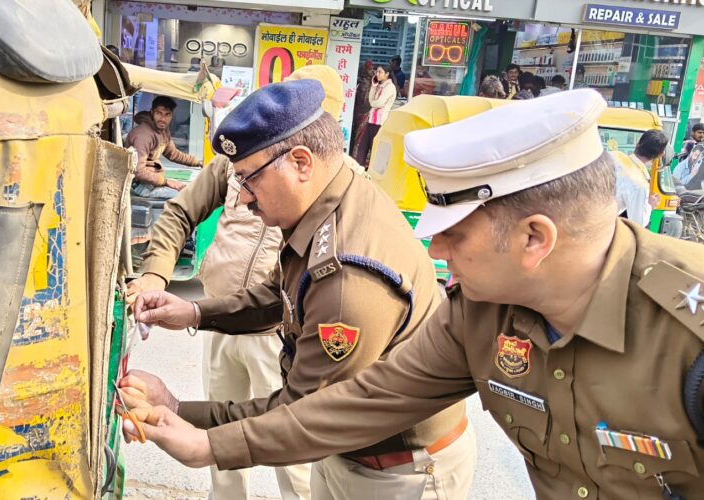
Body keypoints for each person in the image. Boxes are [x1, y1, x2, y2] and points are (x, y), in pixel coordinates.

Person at [123, 89, 704, 500]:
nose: (436, 250)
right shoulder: (479, 311)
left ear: (534, 239)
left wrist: (205, 435)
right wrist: (203, 436)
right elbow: (364, 401)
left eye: (455, 232)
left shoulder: (688, 338)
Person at [126, 79, 476, 499]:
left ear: (301, 162)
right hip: (349, 451)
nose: (244, 199)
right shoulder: (328, 200)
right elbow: (280, 296)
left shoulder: (347, 275)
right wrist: (195, 312)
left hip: (396, 471)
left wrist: (185, 419)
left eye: (249, 181)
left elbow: (300, 411)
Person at [125, 65, 363, 500]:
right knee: (218, 444)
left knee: (291, 452)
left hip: (279, 335)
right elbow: (181, 211)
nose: (250, 193)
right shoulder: (244, 155)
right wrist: (155, 274)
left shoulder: (341, 181)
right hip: (219, 320)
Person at [127, 95, 203, 199]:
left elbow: (173, 153)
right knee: (188, 198)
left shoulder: (163, 130)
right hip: (140, 185)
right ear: (152, 112)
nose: (163, 119)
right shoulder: (143, 135)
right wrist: (166, 182)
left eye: (167, 114)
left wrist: (198, 162)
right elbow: (138, 171)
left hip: (155, 179)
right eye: (159, 113)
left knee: (195, 190)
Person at [615, 129, 668, 227]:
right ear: (661, 154)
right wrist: (650, 206)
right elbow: (638, 224)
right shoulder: (639, 185)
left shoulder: (614, 155)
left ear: (637, 144)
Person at [353, 66, 397, 167]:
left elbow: (378, 103)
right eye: (377, 72)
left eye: (380, 72)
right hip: (371, 121)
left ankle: (370, 173)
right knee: (362, 148)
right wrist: (373, 86)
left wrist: (373, 102)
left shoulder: (390, 87)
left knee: (375, 150)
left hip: (380, 123)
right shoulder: (379, 86)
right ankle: (359, 170)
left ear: (387, 74)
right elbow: (371, 101)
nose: (377, 74)